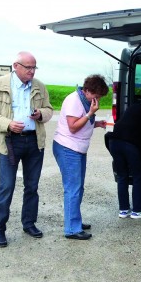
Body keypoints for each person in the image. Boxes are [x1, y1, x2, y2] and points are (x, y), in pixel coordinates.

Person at [0, 51, 53, 247]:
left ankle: (29, 224)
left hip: (33, 142)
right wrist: (7, 124)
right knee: (6, 187)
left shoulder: (39, 86)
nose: (32, 71)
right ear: (16, 66)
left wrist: (40, 114)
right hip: (10, 142)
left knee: (32, 186)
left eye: (34, 67)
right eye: (28, 67)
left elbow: (49, 110)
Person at [52, 74, 108, 240]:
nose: (97, 100)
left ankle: (74, 220)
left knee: (78, 187)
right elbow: (73, 127)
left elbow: (82, 122)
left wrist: (98, 124)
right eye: (96, 96)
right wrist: (91, 113)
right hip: (68, 148)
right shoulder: (73, 100)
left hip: (77, 149)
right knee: (73, 188)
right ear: (87, 91)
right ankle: (72, 229)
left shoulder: (85, 100)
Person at [106, 96, 141, 219]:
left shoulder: (132, 107)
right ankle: (137, 210)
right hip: (130, 144)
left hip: (113, 141)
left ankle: (123, 210)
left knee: (122, 176)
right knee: (138, 176)